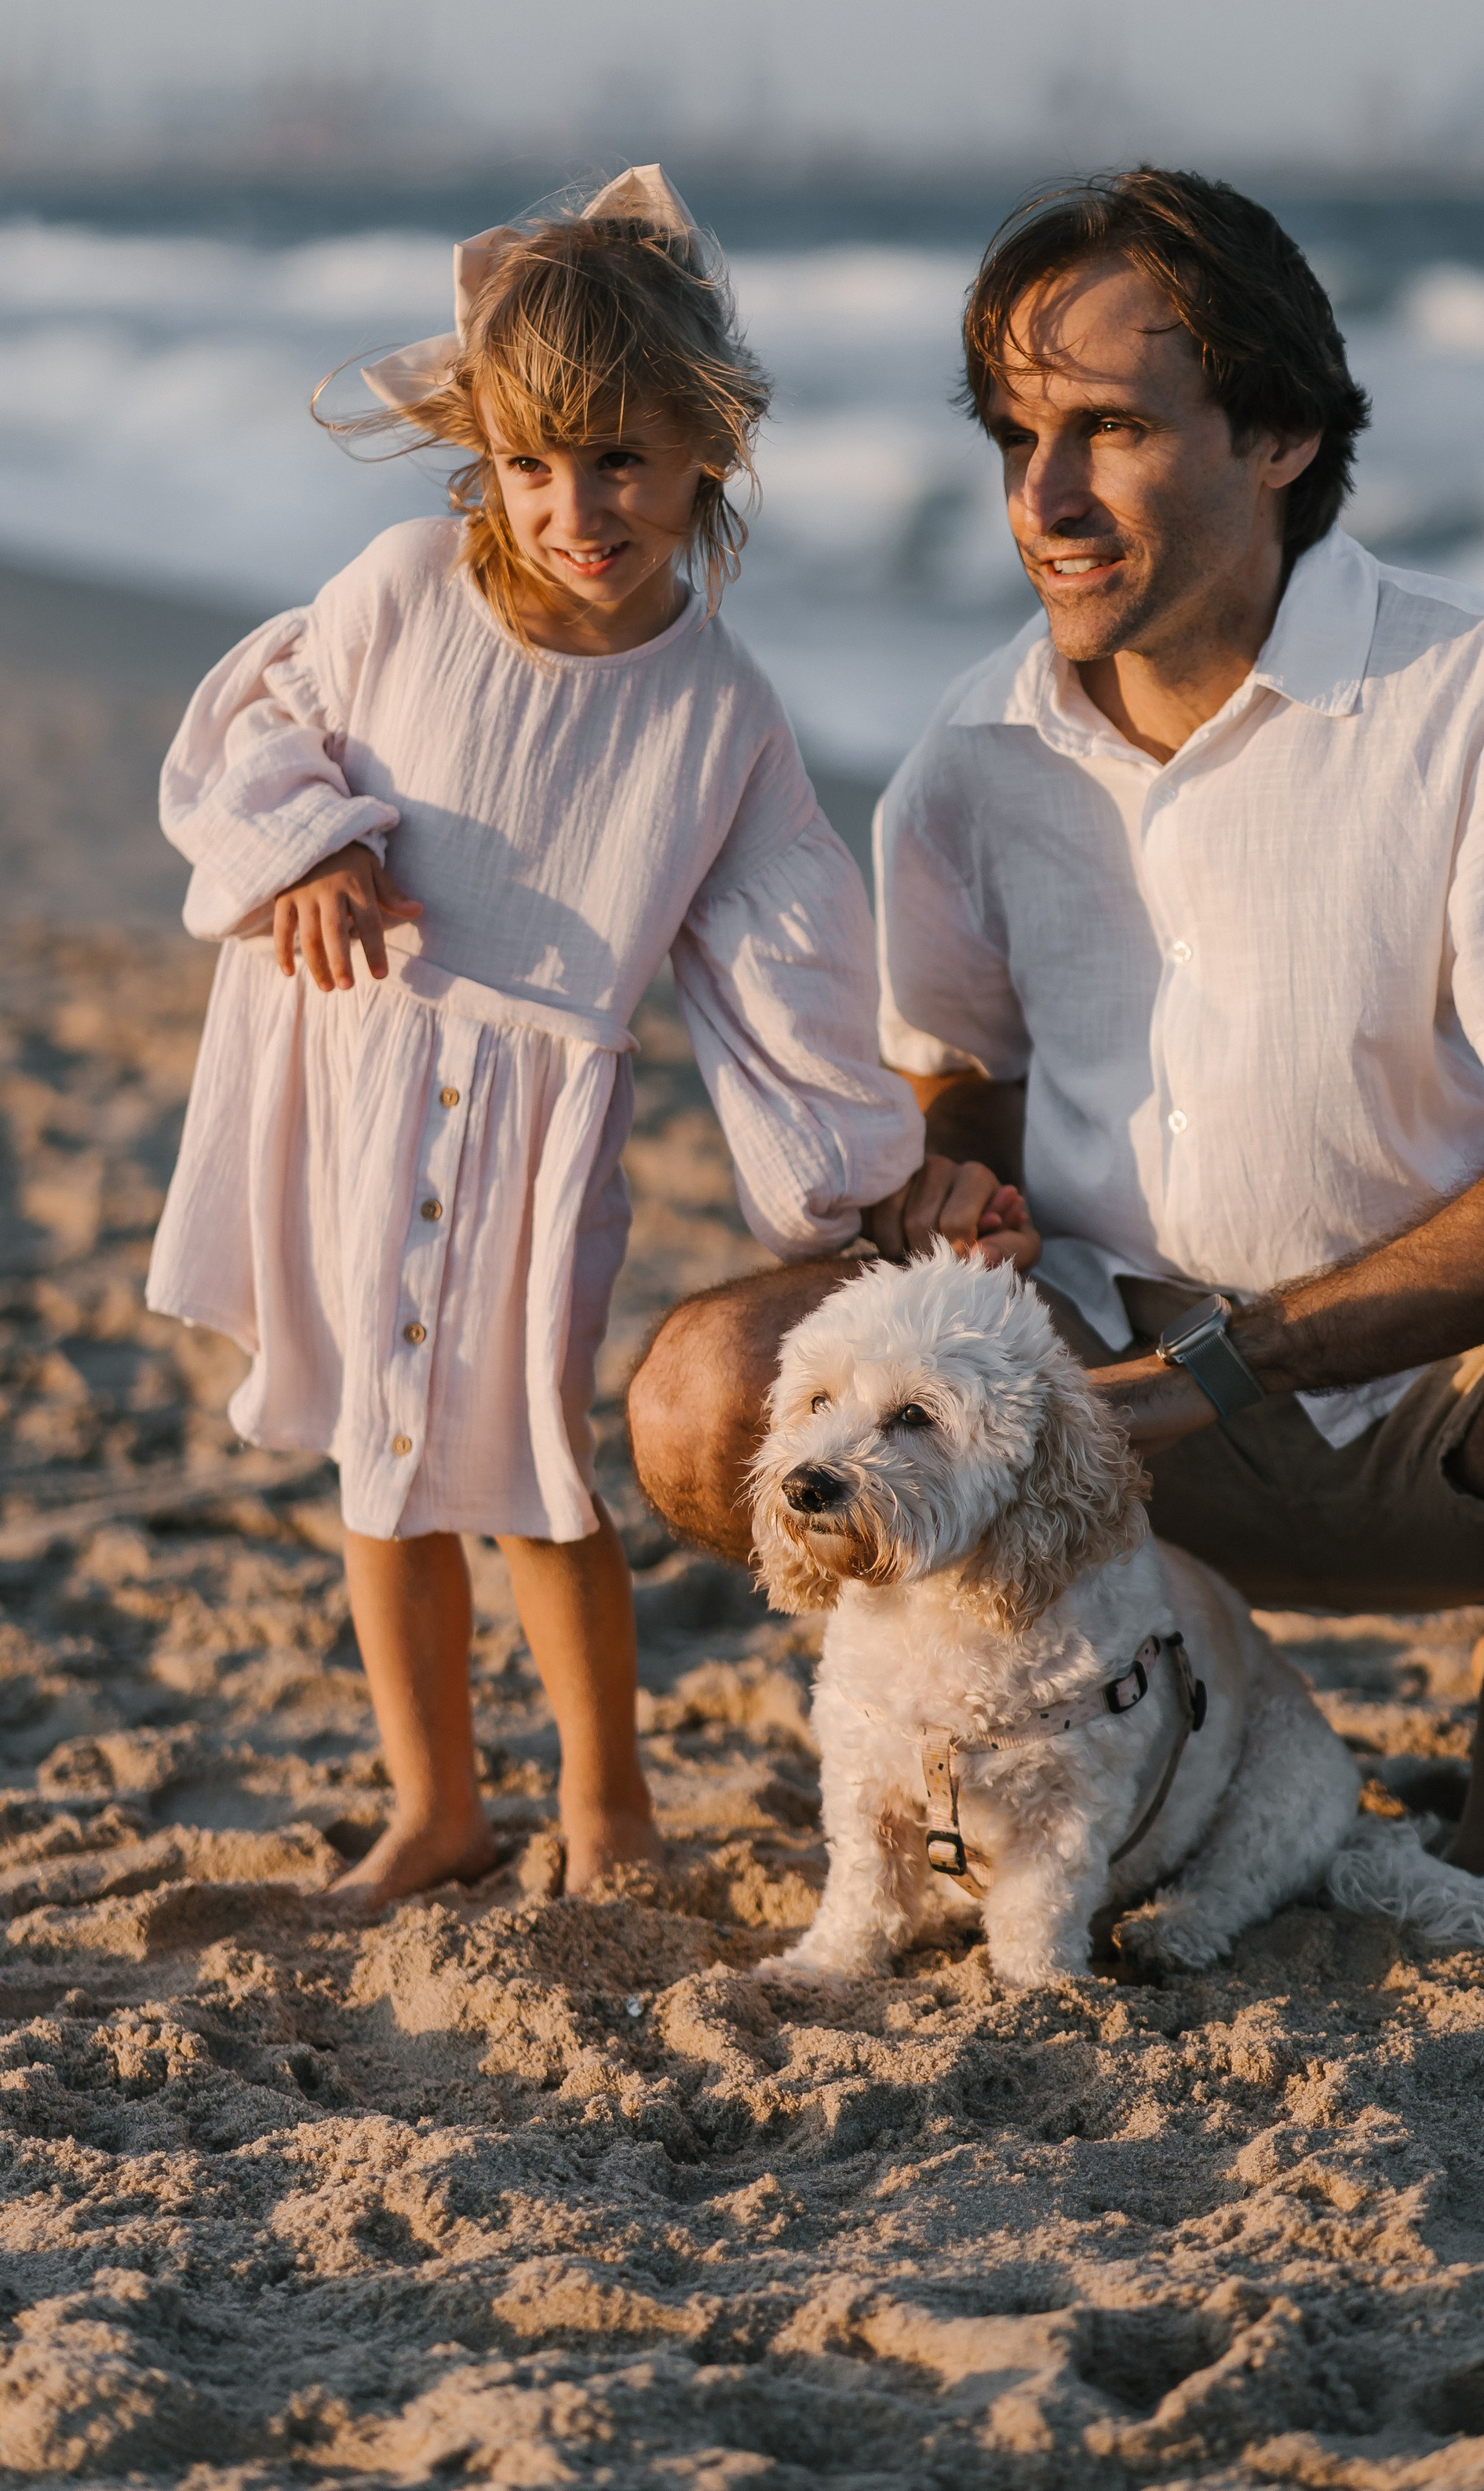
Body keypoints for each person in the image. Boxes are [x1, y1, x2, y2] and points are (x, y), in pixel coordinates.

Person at [628, 166, 1484, 1884]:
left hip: (1448, 1412)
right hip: (1088, 1408)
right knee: (698, 1393)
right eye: (1013, 438)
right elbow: (956, 1122)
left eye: (1108, 429)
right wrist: (944, 1201)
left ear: (1273, 435)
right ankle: (995, 1701)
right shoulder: (971, 764)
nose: (1043, 498)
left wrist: (1230, 1365)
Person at [145, 165, 982, 1912]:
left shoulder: (721, 718)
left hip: (538, 1118)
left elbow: (785, 965)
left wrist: (870, 1181)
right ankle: (436, 1806)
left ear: (705, 452)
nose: (574, 507)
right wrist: (313, 848)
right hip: (349, 1067)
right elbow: (257, 732)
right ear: (484, 459)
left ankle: (607, 1812)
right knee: (382, 1462)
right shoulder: (397, 591)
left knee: (533, 1462)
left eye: (617, 460)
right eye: (533, 464)